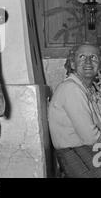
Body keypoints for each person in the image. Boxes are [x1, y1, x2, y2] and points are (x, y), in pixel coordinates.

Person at [48, 43, 101, 178]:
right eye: (82, 57)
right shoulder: (71, 89)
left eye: (94, 57)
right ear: (72, 64)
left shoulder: (87, 89)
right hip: (76, 153)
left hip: (87, 150)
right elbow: (90, 137)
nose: (88, 62)